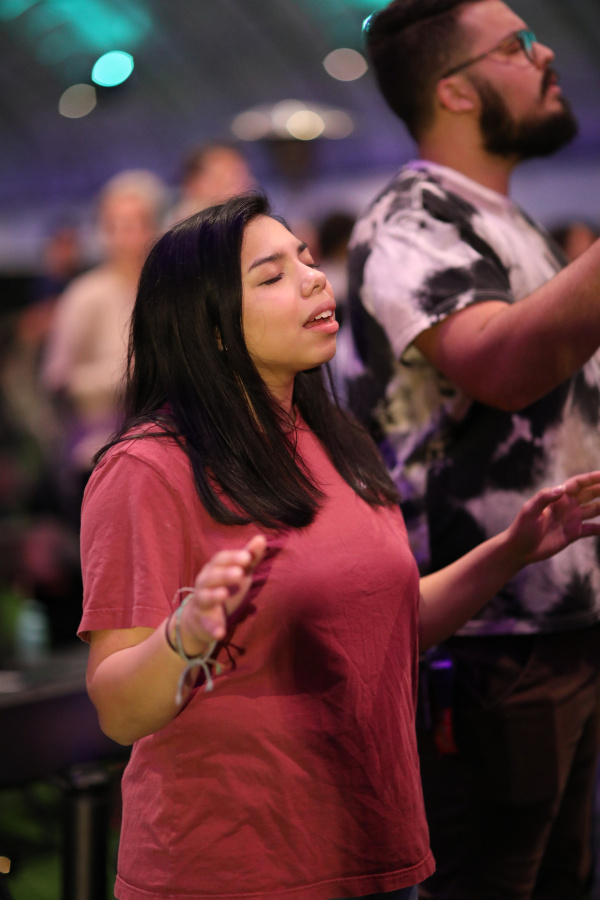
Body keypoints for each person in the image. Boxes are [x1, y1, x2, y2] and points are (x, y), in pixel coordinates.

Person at [79, 192, 600, 900]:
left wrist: (511, 550)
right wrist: (184, 638)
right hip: (233, 871)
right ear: (213, 328)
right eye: (272, 276)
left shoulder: (338, 438)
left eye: (306, 259)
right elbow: (118, 710)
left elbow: (387, 624)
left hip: (375, 849)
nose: (314, 279)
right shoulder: (148, 466)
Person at [344, 2, 600, 898]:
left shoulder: (504, 218)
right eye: (519, 46)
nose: (546, 52)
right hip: (485, 639)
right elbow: (503, 367)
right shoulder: (410, 218)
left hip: (554, 624)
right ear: (454, 90)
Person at [41, 169, 167, 516]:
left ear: (155, 226)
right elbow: (58, 379)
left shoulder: (166, 292)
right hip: (98, 446)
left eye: (134, 224)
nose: (123, 236)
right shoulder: (85, 294)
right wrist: (123, 375)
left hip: (166, 442)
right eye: (113, 225)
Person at [166, 141, 255, 225]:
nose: (244, 186)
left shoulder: (248, 220)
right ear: (193, 184)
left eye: (243, 177)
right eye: (224, 181)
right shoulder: (187, 226)